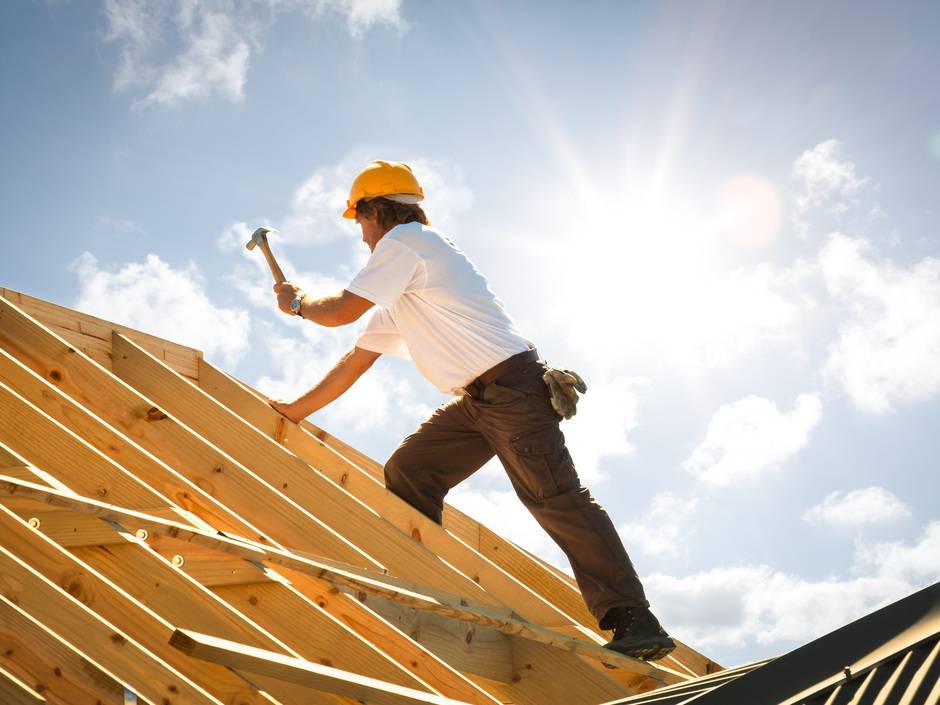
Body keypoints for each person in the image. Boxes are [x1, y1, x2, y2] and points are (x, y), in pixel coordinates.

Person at [268, 160, 676, 660]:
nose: (361, 236)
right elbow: (355, 361)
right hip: (479, 400)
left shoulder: (406, 245)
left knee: (555, 499)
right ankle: (425, 580)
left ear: (376, 212)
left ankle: (634, 620)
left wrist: (296, 303)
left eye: (359, 222)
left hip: (512, 390)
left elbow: (336, 313)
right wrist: (293, 411)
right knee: (411, 470)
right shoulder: (405, 281)